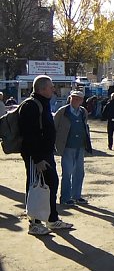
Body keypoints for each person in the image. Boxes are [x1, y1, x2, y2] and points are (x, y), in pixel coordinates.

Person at [19, 75, 74, 235]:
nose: (53, 89)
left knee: (51, 183)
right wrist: (37, 159)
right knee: (35, 187)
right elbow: (29, 135)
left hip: (46, 154)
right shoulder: (31, 105)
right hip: (35, 156)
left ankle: (51, 219)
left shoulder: (42, 103)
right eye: (51, 87)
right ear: (42, 89)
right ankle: (34, 223)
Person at [54, 90, 93, 206]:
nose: (76, 100)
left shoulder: (82, 112)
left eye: (78, 99)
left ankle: (76, 196)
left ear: (82, 101)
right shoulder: (63, 111)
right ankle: (65, 198)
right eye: (74, 98)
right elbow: (55, 126)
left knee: (79, 172)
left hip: (80, 146)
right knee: (67, 173)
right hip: (67, 146)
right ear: (70, 98)